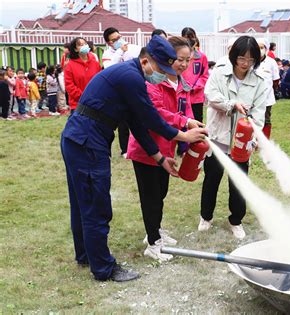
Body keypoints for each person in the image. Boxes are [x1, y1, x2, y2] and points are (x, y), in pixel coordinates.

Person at [60, 35, 207, 282]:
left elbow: (137, 125)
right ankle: (103, 267)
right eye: (162, 69)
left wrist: (160, 158)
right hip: (87, 141)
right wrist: (183, 135)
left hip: (79, 138)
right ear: (147, 61)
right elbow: (151, 118)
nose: (163, 74)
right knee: (96, 205)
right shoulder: (131, 77)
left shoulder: (129, 76)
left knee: (82, 201)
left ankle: (86, 254)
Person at [127, 36, 202, 261]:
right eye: (179, 59)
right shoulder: (153, 82)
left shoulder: (181, 84)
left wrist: (192, 127)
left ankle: (155, 231)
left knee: (161, 193)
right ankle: (152, 244)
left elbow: (186, 111)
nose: (183, 65)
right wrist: (184, 123)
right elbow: (157, 114)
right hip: (147, 149)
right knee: (150, 197)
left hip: (166, 148)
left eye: (188, 60)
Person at [199, 35, 266, 240]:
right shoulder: (220, 73)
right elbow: (210, 96)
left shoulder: (260, 82)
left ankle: (236, 221)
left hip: (241, 143)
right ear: (233, 56)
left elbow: (259, 113)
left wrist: (254, 139)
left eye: (251, 60)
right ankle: (206, 216)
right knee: (211, 179)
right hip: (218, 136)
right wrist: (232, 104)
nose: (245, 64)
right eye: (241, 59)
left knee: (239, 182)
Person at [102, 27, 142, 158]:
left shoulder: (132, 49)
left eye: (119, 37)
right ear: (109, 43)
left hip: (134, 88)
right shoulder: (107, 55)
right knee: (123, 123)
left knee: (138, 119)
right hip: (119, 92)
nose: (119, 40)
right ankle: (125, 149)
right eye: (115, 40)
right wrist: (119, 52)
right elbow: (111, 70)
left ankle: (139, 146)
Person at [64, 37, 101, 114]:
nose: (84, 46)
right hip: (78, 104)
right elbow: (69, 86)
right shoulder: (70, 65)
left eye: (85, 44)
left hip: (95, 102)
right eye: (80, 45)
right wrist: (84, 96)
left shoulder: (95, 63)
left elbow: (100, 81)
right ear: (75, 49)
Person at [181, 27, 209, 123]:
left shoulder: (202, 57)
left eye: (191, 37)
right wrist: (184, 86)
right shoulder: (179, 57)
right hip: (182, 94)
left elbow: (205, 76)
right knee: (184, 121)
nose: (189, 40)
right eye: (186, 37)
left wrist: (195, 87)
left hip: (196, 97)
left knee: (197, 121)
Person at [256, 38, 280, 139]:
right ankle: (254, 140)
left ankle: (265, 140)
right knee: (254, 119)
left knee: (266, 119)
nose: (260, 50)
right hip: (253, 97)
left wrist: (271, 90)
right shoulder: (251, 61)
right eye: (258, 47)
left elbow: (276, 80)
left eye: (262, 47)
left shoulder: (271, 62)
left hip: (267, 97)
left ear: (266, 49)